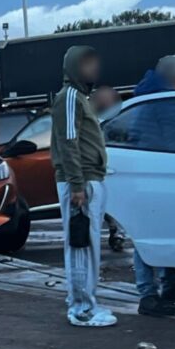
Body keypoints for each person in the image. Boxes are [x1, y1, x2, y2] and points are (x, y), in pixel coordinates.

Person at [50, 46, 117, 327]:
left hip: (89, 180)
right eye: (87, 65)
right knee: (80, 245)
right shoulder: (69, 98)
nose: (93, 70)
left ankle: (84, 300)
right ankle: (81, 309)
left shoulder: (81, 98)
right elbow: (69, 142)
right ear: (75, 67)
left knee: (87, 245)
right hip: (81, 183)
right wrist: (77, 185)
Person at [126, 55, 175, 316]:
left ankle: (167, 286)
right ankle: (149, 296)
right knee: (150, 237)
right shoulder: (167, 103)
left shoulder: (150, 96)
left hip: (145, 176)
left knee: (154, 233)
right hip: (158, 176)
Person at [90, 85, 126, 251]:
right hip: (101, 170)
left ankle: (116, 232)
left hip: (112, 169)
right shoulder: (97, 121)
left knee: (112, 203)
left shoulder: (116, 121)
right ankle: (115, 232)